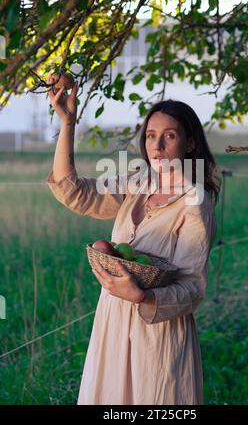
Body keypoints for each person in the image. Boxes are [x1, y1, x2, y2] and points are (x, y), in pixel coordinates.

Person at [46, 74, 221, 405]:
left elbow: (192, 289)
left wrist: (141, 296)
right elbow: (75, 194)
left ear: (190, 143)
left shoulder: (194, 202)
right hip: (112, 321)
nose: (156, 146)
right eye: (151, 136)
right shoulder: (137, 184)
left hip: (157, 330)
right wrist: (68, 123)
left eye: (168, 136)